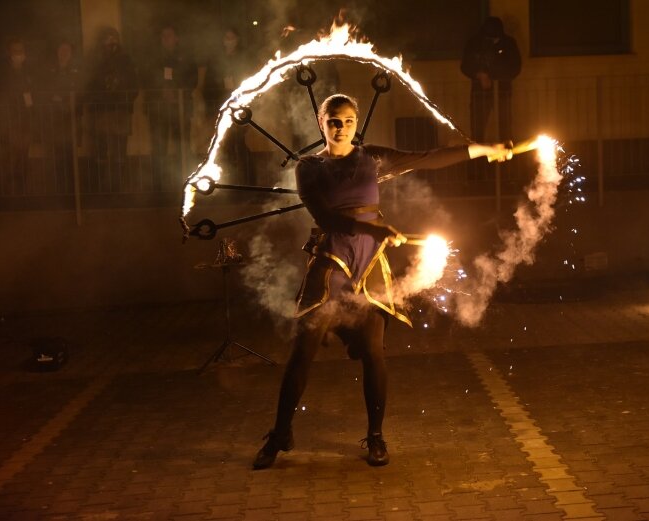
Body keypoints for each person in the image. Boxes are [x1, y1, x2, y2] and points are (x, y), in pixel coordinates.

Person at [252, 94, 512, 469]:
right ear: (320, 123)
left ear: (356, 123)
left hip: (371, 266)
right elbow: (326, 218)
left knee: (374, 352)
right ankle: (280, 433)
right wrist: (372, 228)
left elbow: (428, 157)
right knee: (302, 352)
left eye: (347, 121)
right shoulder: (308, 167)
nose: (341, 128)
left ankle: (375, 436)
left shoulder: (370, 157)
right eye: (333, 122)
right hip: (332, 264)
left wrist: (485, 149)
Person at [142, 24, 198, 190]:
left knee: (183, 145)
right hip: (158, 110)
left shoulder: (186, 57)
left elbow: (192, 79)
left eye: (169, 35)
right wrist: (161, 93)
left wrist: (178, 93)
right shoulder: (153, 58)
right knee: (159, 147)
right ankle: (159, 185)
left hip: (180, 108)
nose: (166, 39)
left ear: (177, 38)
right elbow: (147, 79)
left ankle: (184, 180)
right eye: (163, 36)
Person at [84, 27, 138, 192]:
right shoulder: (96, 60)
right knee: (101, 149)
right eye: (107, 39)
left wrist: (126, 100)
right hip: (101, 111)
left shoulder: (126, 60)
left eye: (114, 39)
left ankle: (119, 185)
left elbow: (133, 84)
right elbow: (89, 84)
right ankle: (100, 186)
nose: (111, 43)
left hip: (120, 110)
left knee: (120, 150)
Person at [203, 28, 253, 184]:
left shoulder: (243, 58)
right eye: (226, 37)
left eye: (232, 38)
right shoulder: (217, 60)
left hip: (240, 106)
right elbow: (209, 85)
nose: (229, 41)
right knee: (227, 145)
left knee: (239, 143)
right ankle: (231, 181)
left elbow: (250, 77)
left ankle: (247, 180)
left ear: (237, 40)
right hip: (222, 107)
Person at [460, 16, 522, 142]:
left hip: (502, 92)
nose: (493, 41)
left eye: (496, 39)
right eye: (490, 39)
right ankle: (478, 158)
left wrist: (499, 78)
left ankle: (505, 157)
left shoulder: (508, 43)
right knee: (478, 128)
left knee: (505, 126)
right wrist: (479, 75)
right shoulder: (474, 43)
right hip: (480, 93)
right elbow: (465, 66)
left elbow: (515, 67)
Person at [0, 38, 36, 195]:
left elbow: (33, 92)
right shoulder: (2, 72)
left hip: (24, 120)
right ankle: (6, 190)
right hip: (6, 121)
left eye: (21, 50)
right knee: (7, 156)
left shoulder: (29, 71)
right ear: (9, 53)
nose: (18, 54)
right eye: (15, 51)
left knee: (22, 155)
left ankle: (21, 189)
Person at [47, 39, 82, 193]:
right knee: (56, 151)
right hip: (54, 117)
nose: (64, 53)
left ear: (72, 53)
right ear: (57, 51)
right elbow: (44, 89)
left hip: (71, 117)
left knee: (70, 150)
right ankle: (58, 186)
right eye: (61, 49)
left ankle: (72, 186)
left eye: (67, 50)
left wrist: (70, 100)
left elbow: (81, 90)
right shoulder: (50, 69)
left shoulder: (77, 70)